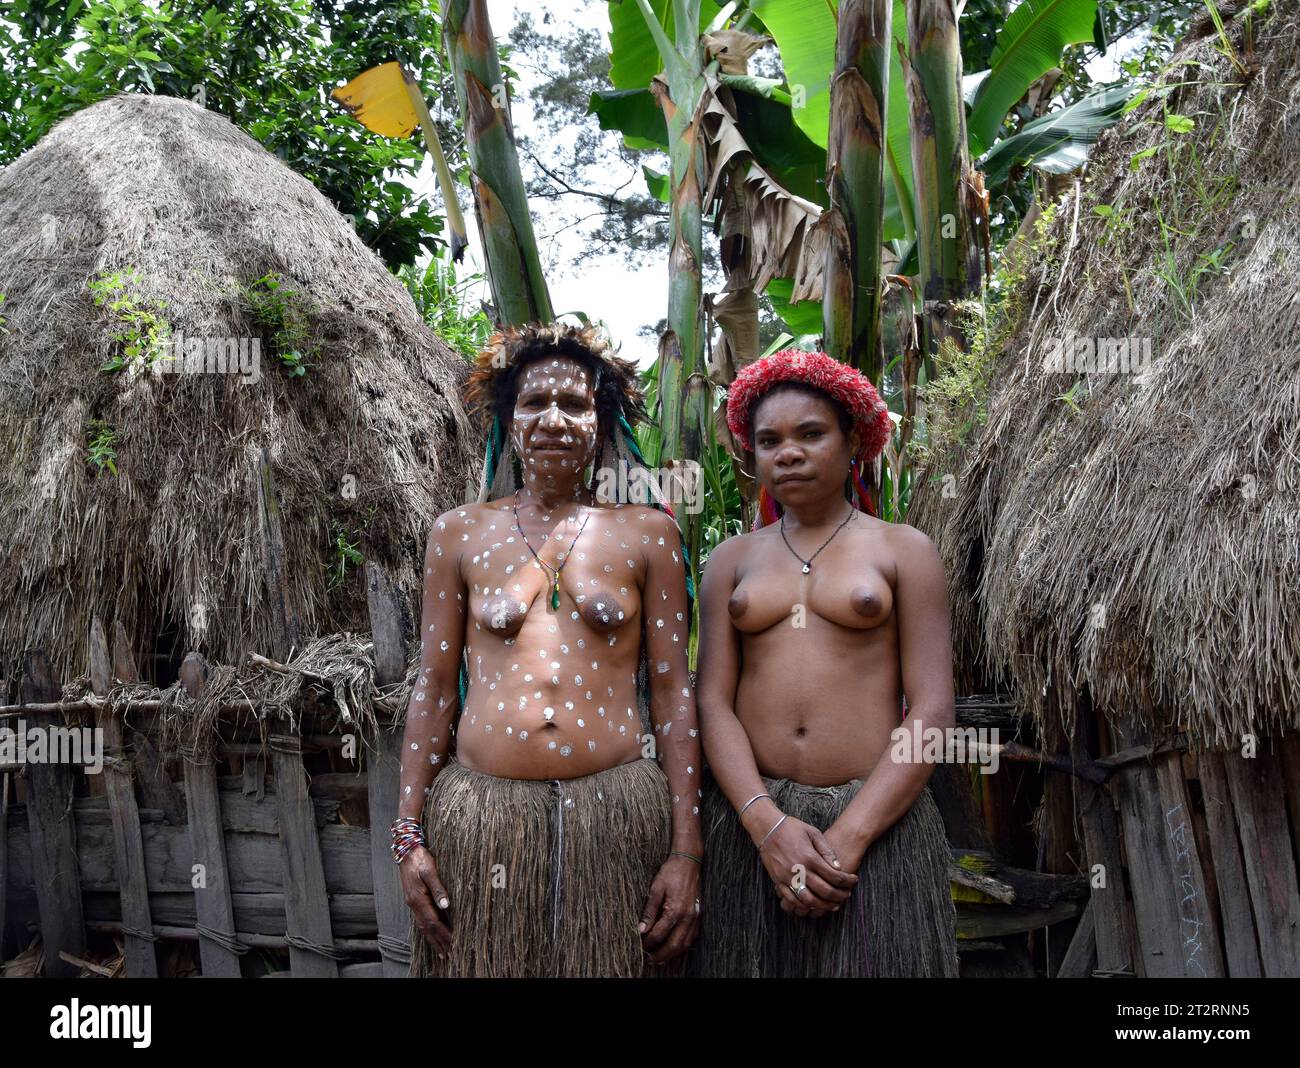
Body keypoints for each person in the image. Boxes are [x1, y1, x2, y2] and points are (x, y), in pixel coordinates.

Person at [394, 322, 702, 978]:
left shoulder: (649, 535)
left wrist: (686, 851)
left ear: (602, 420)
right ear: (509, 418)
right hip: (482, 818)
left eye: (576, 404)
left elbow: (674, 692)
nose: (554, 419)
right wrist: (408, 836)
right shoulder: (458, 533)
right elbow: (436, 687)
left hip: (616, 814)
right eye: (535, 402)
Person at [691, 348, 959, 978]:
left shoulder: (903, 550)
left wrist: (850, 837)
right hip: (753, 826)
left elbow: (933, 708)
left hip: (877, 824)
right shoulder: (731, 561)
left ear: (853, 443)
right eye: (768, 440)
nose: (788, 453)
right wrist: (764, 824)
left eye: (811, 434)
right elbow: (712, 703)